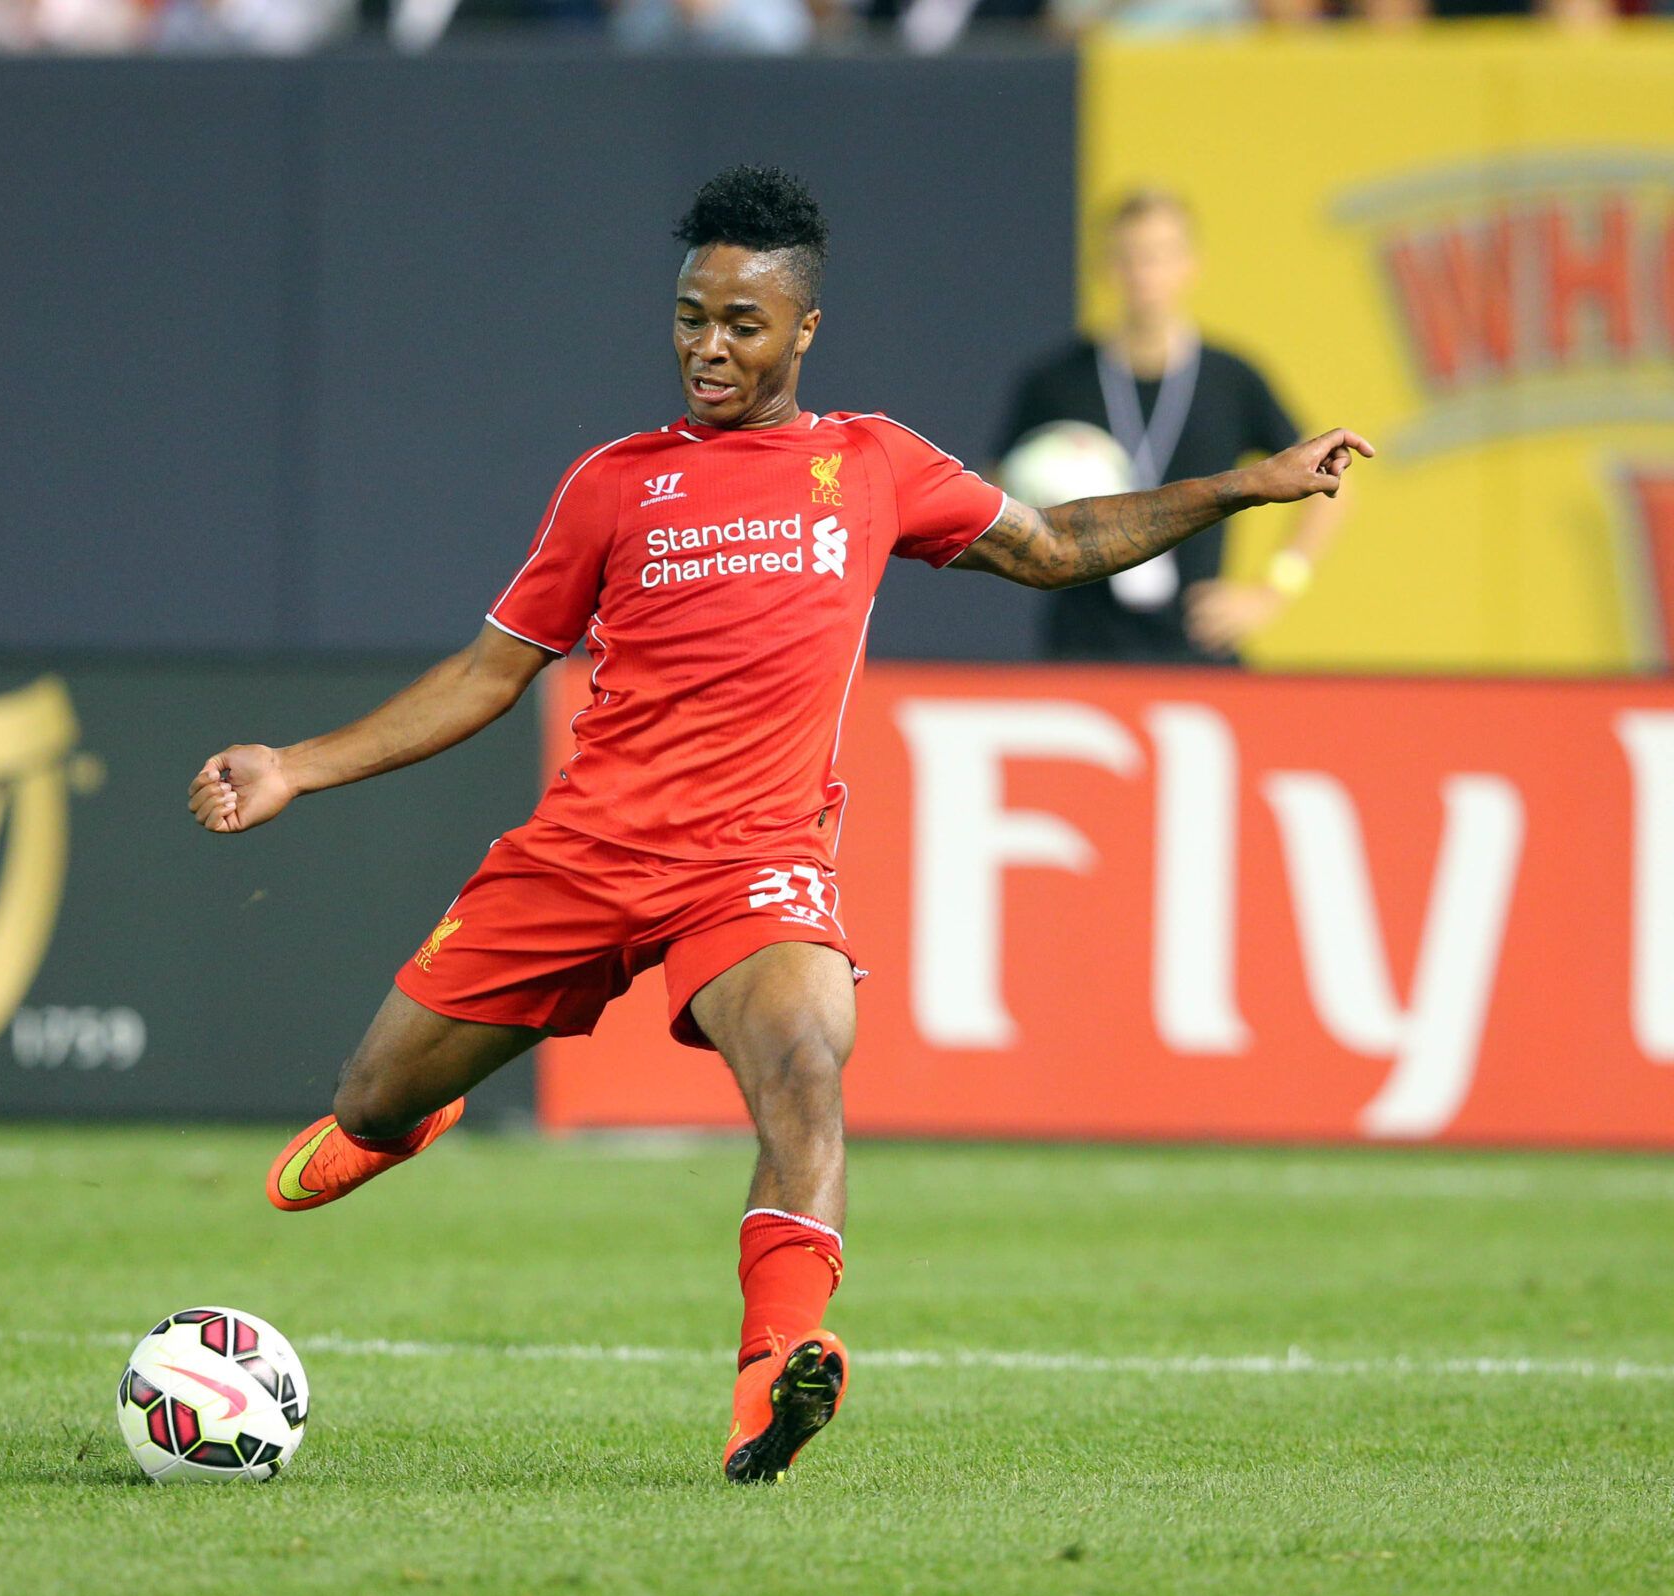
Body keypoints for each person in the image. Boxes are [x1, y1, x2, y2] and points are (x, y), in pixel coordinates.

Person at [187, 164, 1370, 1483]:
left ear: (804, 329)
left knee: (808, 1064)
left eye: (742, 323)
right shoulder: (616, 485)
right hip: (585, 854)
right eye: (691, 315)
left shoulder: (870, 463)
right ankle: (410, 1113)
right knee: (368, 1093)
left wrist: (1244, 489)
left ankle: (775, 1372)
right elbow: (487, 671)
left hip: (755, 864)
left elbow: (1055, 542)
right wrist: (297, 764)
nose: (708, 345)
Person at [994, 189, 1349, 664]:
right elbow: (993, 493)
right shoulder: (1055, 382)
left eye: (1159, 256)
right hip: (1083, 647)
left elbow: (1332, 482)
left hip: (1198, 647)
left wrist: (1272, 590)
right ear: (1106, 266)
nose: (1143, 273)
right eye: (1129, 257)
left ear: (1190, 264)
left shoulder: (1231, 379)